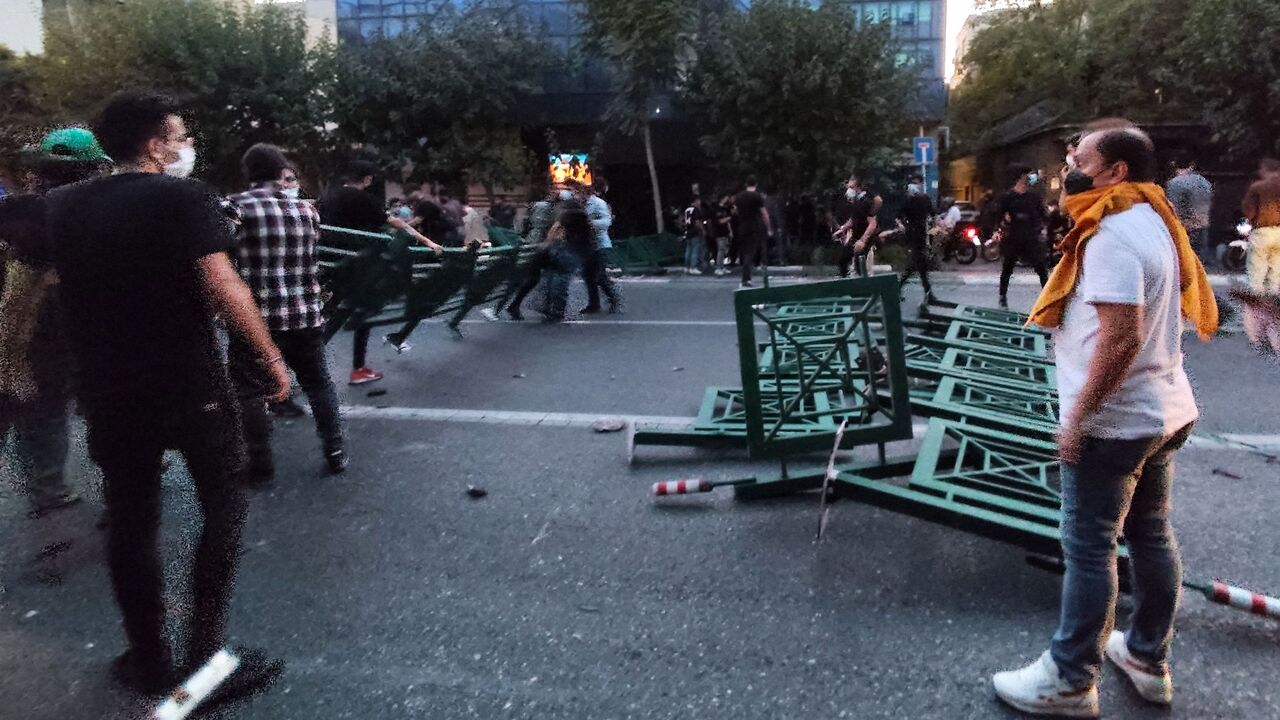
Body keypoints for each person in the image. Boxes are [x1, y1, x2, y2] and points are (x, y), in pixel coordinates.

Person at [46, 92, 291, 697]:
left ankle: (150, 660)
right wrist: (270, 357)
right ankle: (205, 662)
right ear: (156, 145)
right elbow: (223, 284)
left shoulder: (63, 206)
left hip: (108, 389)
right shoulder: (181, 197)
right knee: (223, 507)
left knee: (131, 521)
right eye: (180, 136)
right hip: (188, 382)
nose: (186, 146)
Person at [995, 122, 1218, 718]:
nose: (1069, 167)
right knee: (1151, 535)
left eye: (1080, 160)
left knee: (1090, 550)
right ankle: (1146, 657)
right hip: (1164, 409)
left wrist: (1078, 418)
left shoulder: (1111, 233)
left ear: (1116, 171)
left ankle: (1070, 679)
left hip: (1116, 421)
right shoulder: (1155, 219)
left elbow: (1121, 338)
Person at [0, 128, 110, 519]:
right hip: (56, 333)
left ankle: (49, 488)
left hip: (14, 329)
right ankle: (48, 489)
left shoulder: (13, 210)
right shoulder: (91, 215)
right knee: (47, 408)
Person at [226, 143, 347, 483]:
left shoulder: (234, 207)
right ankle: (335, 451)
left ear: (248, 172)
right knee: (318, 383)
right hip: (306, 314)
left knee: (248, 389)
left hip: (257, 318)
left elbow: (223, 257)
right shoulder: (307, 211)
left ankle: (260, 462)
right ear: (281, 173)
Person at [316, 161, 441, 384]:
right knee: (359, 312)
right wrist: (428, 242)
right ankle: (356, 368)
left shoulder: (325, 198)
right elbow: (399, 225)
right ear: (367, 179)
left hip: (332, 262)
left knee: (338, 312)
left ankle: (311, 363)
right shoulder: (364, 200)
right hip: (360, 264)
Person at [996, 164, 1050, 308]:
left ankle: (1048, 298)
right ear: (1021, 177)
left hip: (1031, 236)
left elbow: (1043, 214)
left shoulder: (1034, 196)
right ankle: (1002, 297)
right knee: (1007, 267)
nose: (1031, 177)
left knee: (1041, 268)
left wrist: (1043, 228)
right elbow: (999, 215)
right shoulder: (1008, 197)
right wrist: (1001, 226)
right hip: (1014, 236)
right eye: (1028, 174)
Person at [581, 178, 621, 313]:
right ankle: (594, 304)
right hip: (586, 245)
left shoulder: (598, 203)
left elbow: (607, 221)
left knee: (599, 275)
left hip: (600, 244)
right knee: (588, 275)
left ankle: (614, 299)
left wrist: (591, 223)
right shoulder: (580, 205)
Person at [1164, 157, 1213, 266]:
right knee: (1200, 261)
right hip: (1203, 223)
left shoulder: (1174, 183)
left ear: (1175, 167)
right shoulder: (1204, 182)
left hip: (1185, 226)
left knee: (1185, 261)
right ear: (1191, 166)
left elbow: (1173, 206)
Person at [897, 174, 937, 306]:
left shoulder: (921, 199)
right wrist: (901, 224)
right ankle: (928, 292)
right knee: (918, 263)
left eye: (916, 183)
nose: (914, 186)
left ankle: (927, 292)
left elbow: (932, 214)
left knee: (919, 264)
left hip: (919, 234)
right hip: (915, 234)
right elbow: (899, 215)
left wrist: (935, 227)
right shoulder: (911, 200)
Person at [1242, 158, 1280, 295]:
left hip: (1262, 231)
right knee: (1276, 269)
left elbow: (1249, 209)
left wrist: (1249, 223)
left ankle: (1256, 296)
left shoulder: (1258, 187)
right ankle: (1273, 295)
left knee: (1256, 268)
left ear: (1265, 170)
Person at [831, 176, 881, 278]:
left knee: (859, 263)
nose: (848, 190)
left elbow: (872, 223)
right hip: (856, 235)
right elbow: (853, 219)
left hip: (865, 237)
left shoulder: (867, 202)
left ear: (857, 187)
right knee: (843, 260)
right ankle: (845, 281)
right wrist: (842, 229)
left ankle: (863, 284)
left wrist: (863, 240)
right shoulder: (857, 201)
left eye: (850, 187)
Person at [733, 177, 772, 287]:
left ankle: (745, 276)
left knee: (744, 251)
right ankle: (746, 278)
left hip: (742, 227)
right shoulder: (757, 196)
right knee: (750, 253)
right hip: (754, 227)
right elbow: (764, 213)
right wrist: (769, 228)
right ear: (756, 184)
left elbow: (735, 211)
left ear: (746, 184)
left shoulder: (739, 196)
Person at [682, 194, 709, 274]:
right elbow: (697, 221)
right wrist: (703, 230)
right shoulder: (696, 209)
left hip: (688, 230)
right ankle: (693, 267)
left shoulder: (687, 210)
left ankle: (687, 266)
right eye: (698, 200)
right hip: (695, 231)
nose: (699, 202)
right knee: (695, 250)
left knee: (688, 249)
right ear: (696, 201)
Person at [711, 194, 735, 276]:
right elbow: (719, 221)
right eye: (726, 198)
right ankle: (718, 268)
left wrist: (730, 231)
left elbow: (727, 222)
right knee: (721, 250)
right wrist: (730, 217)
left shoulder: (724, 209)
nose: (727, 200)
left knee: (724, 250)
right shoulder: (717, 209)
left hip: (725, 232)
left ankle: (722, 266)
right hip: (719, 232)